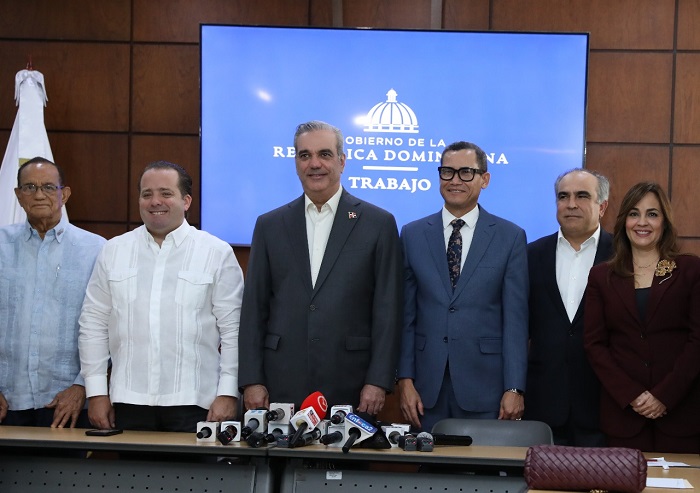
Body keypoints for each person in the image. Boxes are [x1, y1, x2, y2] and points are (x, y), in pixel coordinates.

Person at [238, 120, 402, 415]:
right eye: (305, 155)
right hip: (280, 381)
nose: (314, 164)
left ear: (342, 161)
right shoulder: (270, 225)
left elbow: (387, 310)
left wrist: (378, 380)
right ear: (296, 163)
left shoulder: (378, 224)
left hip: (351, 382)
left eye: (324, 154)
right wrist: (252, 380)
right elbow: (254, 309)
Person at [79, 161, 244, 432]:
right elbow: (93, 325)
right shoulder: (113, 251)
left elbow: (234, 330)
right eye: (147, 194)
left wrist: (228, 393)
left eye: (166, 193)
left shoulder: (216, 253)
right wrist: (96, 392)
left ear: (186, 201)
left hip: (196, 403)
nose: (155, 201)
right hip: (128, 402)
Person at [397, 141, 528, 432]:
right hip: (425, 390)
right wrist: (404, 380)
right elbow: (405, 317)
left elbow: (516, 322)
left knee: (481, 462)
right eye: (447, 172)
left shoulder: (510, 237)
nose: (455, 180)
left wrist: (514, 387)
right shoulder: (412, 234)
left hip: (486, 388)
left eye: (466, 172)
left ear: (485, 179)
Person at [584, 182, 700, 453]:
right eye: (634, 214)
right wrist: (632, 395)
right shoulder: (602, 276)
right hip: (624, 416)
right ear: (624, 221)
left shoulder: (690, 270)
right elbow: (594, 345)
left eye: (652, 214)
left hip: (681, 415)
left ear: (664, 222)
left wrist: (664, 395)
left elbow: (697, 341)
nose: (642, 222)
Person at [0, 157, 105, 428]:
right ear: (18, 195)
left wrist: (83, 386)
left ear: (64, 194)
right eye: (29, 187)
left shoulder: (96, 250)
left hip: (68, 403)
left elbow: (110, 325)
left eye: (48, 187)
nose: (38, 195)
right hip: (7, 400)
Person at [524, 169, 612, 446]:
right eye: (563, 197)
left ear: (602, 206)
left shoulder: (622, 255)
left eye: (582, 196)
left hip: (605, 404)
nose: (571, 204)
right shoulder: (530, 255)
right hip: (543, 405)